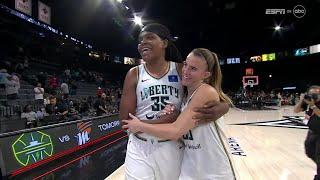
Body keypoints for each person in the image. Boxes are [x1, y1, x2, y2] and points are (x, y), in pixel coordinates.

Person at [120, 23, 230, 180]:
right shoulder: (134, 73)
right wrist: (168, 119)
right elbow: (125, 122)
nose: (143, 42)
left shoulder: (180, 69)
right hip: (140, 146)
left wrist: (222, 107)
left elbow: (210, 91)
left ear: (164, 43)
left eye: (149, 37)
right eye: (140, 40)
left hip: (171, 146)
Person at [294, 85, 320, 180]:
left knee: (319, 155)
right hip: (311, 132)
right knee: (309, 152)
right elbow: (296, 110)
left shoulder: (314, 103)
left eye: (316, 93)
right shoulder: (308, 101)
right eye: (312, 93)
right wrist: (302, 100)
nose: (314, 95)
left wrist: (312, 105)